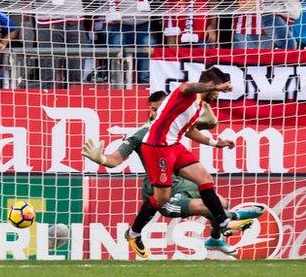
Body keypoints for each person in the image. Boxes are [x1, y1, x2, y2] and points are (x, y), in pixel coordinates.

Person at [82, 91, 264, 257]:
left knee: (221, 202)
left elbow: (203, 125)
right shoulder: (141, 133)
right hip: (164, 190)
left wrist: (215, 134)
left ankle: (216, 239)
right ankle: (235, 217)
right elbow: (115, 160)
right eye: (152, 110)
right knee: (208, 207)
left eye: (158, 109)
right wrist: (102, 159)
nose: (154, 114)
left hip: (185, 183)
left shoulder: (176, 124)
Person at [123, 67, 236, 259]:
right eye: (217, 91)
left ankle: (223, 222)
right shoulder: (185, 94)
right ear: (209, 86)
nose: (218, 95)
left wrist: (215, 142)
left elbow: (190, 130)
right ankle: (133, 234)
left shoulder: (199, 106)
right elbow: (186, 86)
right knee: (162, 199)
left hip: (174, 145)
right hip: (157, 146)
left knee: (205, 178)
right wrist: (213, 85)